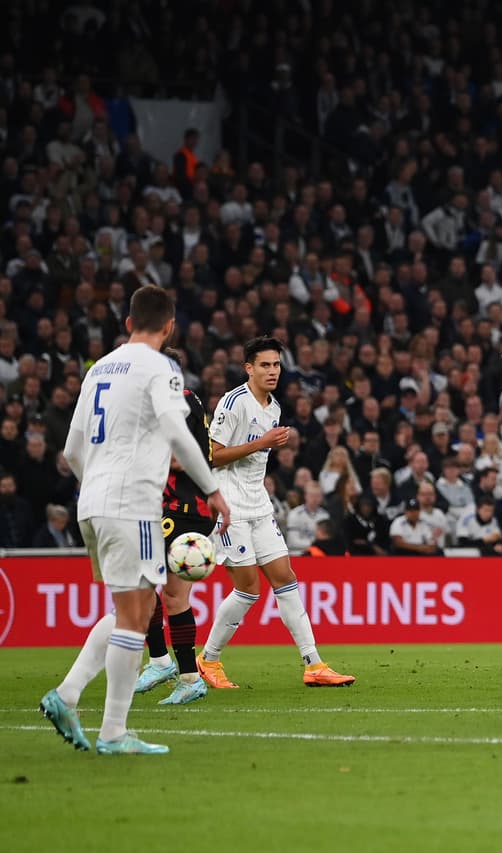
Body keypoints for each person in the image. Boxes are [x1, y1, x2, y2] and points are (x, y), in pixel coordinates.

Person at [40, 285, 230, 755]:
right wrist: (212, 489)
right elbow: (178, 435)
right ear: (170, 327)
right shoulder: (161, 367)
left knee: (134, 609)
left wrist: (96, 487)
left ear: (128, 323)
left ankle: (68, 695)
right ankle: (111, 732)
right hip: (133, 504)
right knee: (133, 615)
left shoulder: (99, 368)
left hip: (93, 502)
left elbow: (71, 450)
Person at [196, 336, 354, 688]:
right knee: (249, 590)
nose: (272, 371)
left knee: (286, 578)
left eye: (277, 365)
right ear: (249, 368)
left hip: (259, 504)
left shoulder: (274, 407)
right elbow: (212, 455)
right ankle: (208, 659)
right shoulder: (233, 402)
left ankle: (314, 664)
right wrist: (262, 443)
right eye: (265, 365)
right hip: (230, 506)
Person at [133, 352, 216, 705]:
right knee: (148, 585)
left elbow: (183, 459)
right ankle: (163, 663)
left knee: (169, 593)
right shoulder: (177, 401)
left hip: (186, 508)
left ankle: (186, 676)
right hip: (168, 506)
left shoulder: (179, 403)